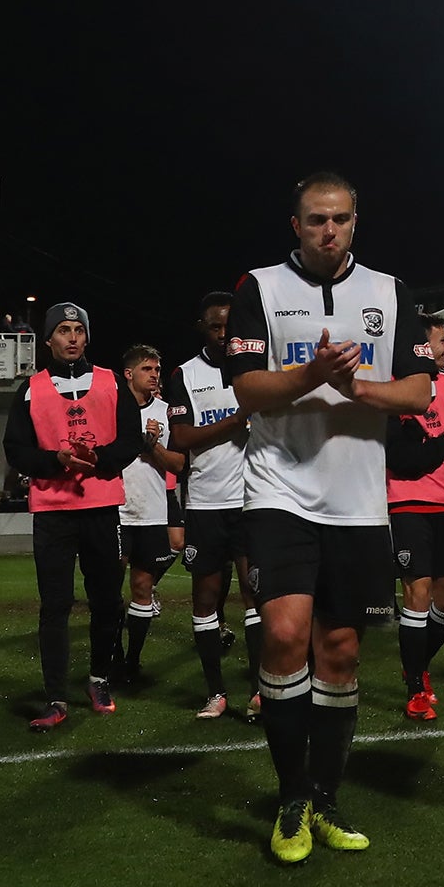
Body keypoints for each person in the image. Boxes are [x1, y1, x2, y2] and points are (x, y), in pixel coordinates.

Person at [222, 173, 434, 864]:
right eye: (316, 219)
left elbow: (419, 389)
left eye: (340, 219)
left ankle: (326, 797)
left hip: (358, 504)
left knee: (340, 654)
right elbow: (249, 390)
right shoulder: (258, 288)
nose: (329, 230)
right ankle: (290, 800)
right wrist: (312, 375)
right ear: (295, 225)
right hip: (279, 490)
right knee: (285, 635)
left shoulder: (389, 290)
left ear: (355, 222)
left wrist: (355, 386)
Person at [3, 302, 145, 731]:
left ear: (87, 337)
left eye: (78, 330)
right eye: (63, 330)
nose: (71, 338)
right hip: (53, 510)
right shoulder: (30, 388)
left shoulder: (111, 382)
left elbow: (131, 440)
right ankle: (55, 697)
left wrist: (98, 457)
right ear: (48, 340)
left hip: (101, 507)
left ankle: (99, 679)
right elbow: (16, 450)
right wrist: (55, 459)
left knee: (106, 601)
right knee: (55, 605)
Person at [166, 291, 258, 720]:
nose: (224, 334)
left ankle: (261, 689)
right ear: (203, 329)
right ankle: (216, 692)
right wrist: (235, 422)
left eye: (230, 326)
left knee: (256, 595)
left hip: (254, 500)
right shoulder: (185, 374)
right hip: (205, 503)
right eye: (216, 327)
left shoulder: (258, 370)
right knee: (205, 598)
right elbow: (181, 440)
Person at [385, 313, 444, 721]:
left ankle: (417, 665)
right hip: (409, 503)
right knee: (417, 596)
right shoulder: (397, 391)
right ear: (421, 346)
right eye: (442, 340)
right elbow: (405, 461)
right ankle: (416, 690)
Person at [118, 344, 187, 683]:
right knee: (109, 589)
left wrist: (152, 446)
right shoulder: (112, 409)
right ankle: (111, 658)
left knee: (142, 588)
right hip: (115, 511)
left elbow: (178, 464)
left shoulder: (166, 412)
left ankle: (133, 661)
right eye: (148, 369)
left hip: (152, 513)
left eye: (157, 370)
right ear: (129, 374)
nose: (155, 375)